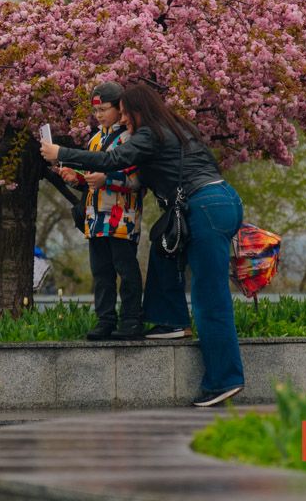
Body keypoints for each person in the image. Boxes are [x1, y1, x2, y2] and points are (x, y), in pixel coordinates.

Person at [41, 83, 246, 408]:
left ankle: (225, 380)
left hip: (203, 206)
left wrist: (60, 153)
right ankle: (171, 321)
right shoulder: (179, 126)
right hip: (218, 200)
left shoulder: (149, 134)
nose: (123, 121)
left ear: (138, 111)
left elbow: (112, 160)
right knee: (161, 243)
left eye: (125, 114)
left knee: (210, 298)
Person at [58, 82, 145, 341]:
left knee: (126, 270)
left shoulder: (131, 137)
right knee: (101, 272)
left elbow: (138, 179)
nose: (99, 115)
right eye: (96, 111)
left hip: (122, 217)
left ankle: (132, 319)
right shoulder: (95, 138)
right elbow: (91, 174)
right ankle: (105, 319)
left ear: (120, 108)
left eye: (104, 109)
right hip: (96, 217)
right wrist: (77, 177)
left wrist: (106, 180)